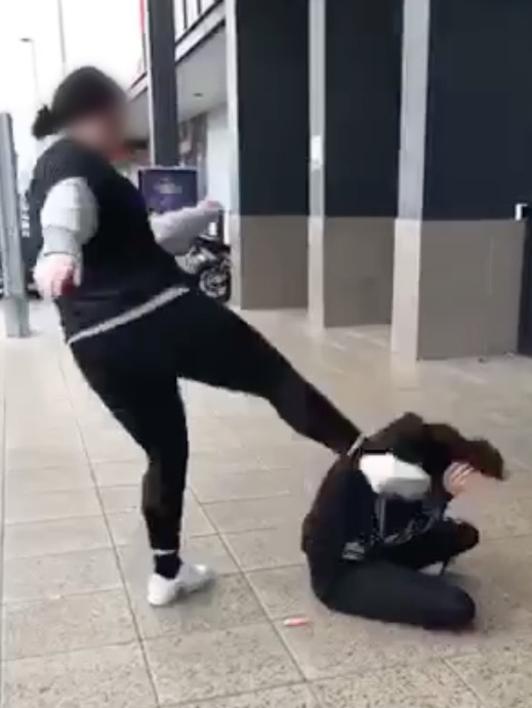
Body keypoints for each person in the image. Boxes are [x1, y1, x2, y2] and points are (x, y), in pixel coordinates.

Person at [28, 67, 362, 607]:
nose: (123, 129)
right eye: (119, 116)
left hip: (97, 343)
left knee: (165, 450)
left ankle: (166, 574)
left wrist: (201, 214)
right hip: (158, 311)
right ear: (99, 114)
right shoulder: (72, 161)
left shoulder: (65, 170)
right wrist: (58, 251)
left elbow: (150, 236)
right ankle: (374, 462)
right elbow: (66, 212)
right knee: (275, 377)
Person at [302, 412, 505, 629]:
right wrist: (440, 497)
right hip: (342, 571)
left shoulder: (413, 451)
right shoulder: (386, 474)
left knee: (463, 534)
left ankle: (399, 574)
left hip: (380, 542)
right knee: (457, 607)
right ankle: (391, 579)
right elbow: (393, 532)